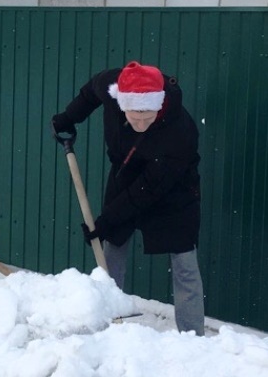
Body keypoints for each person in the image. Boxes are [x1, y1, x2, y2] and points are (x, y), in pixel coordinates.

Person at [52, 60, 205, 335]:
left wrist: (107, 218)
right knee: (111, 250)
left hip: (175, 189)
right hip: (126, 173)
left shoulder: (180, 133)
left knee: (184, 264)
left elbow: (149, 189)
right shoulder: (111, 85)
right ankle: (108, 324)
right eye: (136, 118)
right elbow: (89, 94)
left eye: (149, 117)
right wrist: (69, 117)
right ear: (121, 103)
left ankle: (193, 340)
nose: (142, 124)